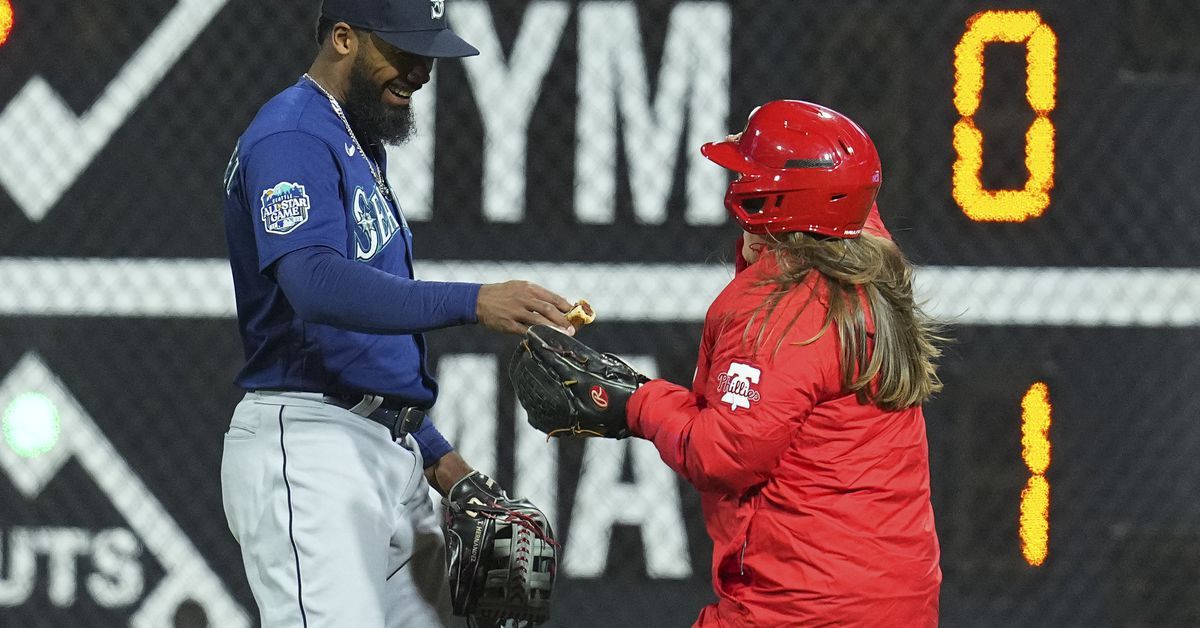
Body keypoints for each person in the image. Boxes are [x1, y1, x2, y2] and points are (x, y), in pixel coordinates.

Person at [218, 1, 574, 626]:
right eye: (404, 51)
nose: (421, 71)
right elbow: (314, 283)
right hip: (310, 448)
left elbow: (358, 341)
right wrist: (474, 300)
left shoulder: (349, 136)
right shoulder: (293, 135)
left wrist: (440, 457)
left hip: (384, 444)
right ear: (344, 38)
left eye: (428, 53)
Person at [627, 100, 944, 626]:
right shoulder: (868, 265)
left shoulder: (781, 309)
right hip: (901, 603)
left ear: (773, 198)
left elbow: (723, 454)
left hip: (802, 607)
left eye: (748, 174)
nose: (737, 182)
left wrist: (635, 403)